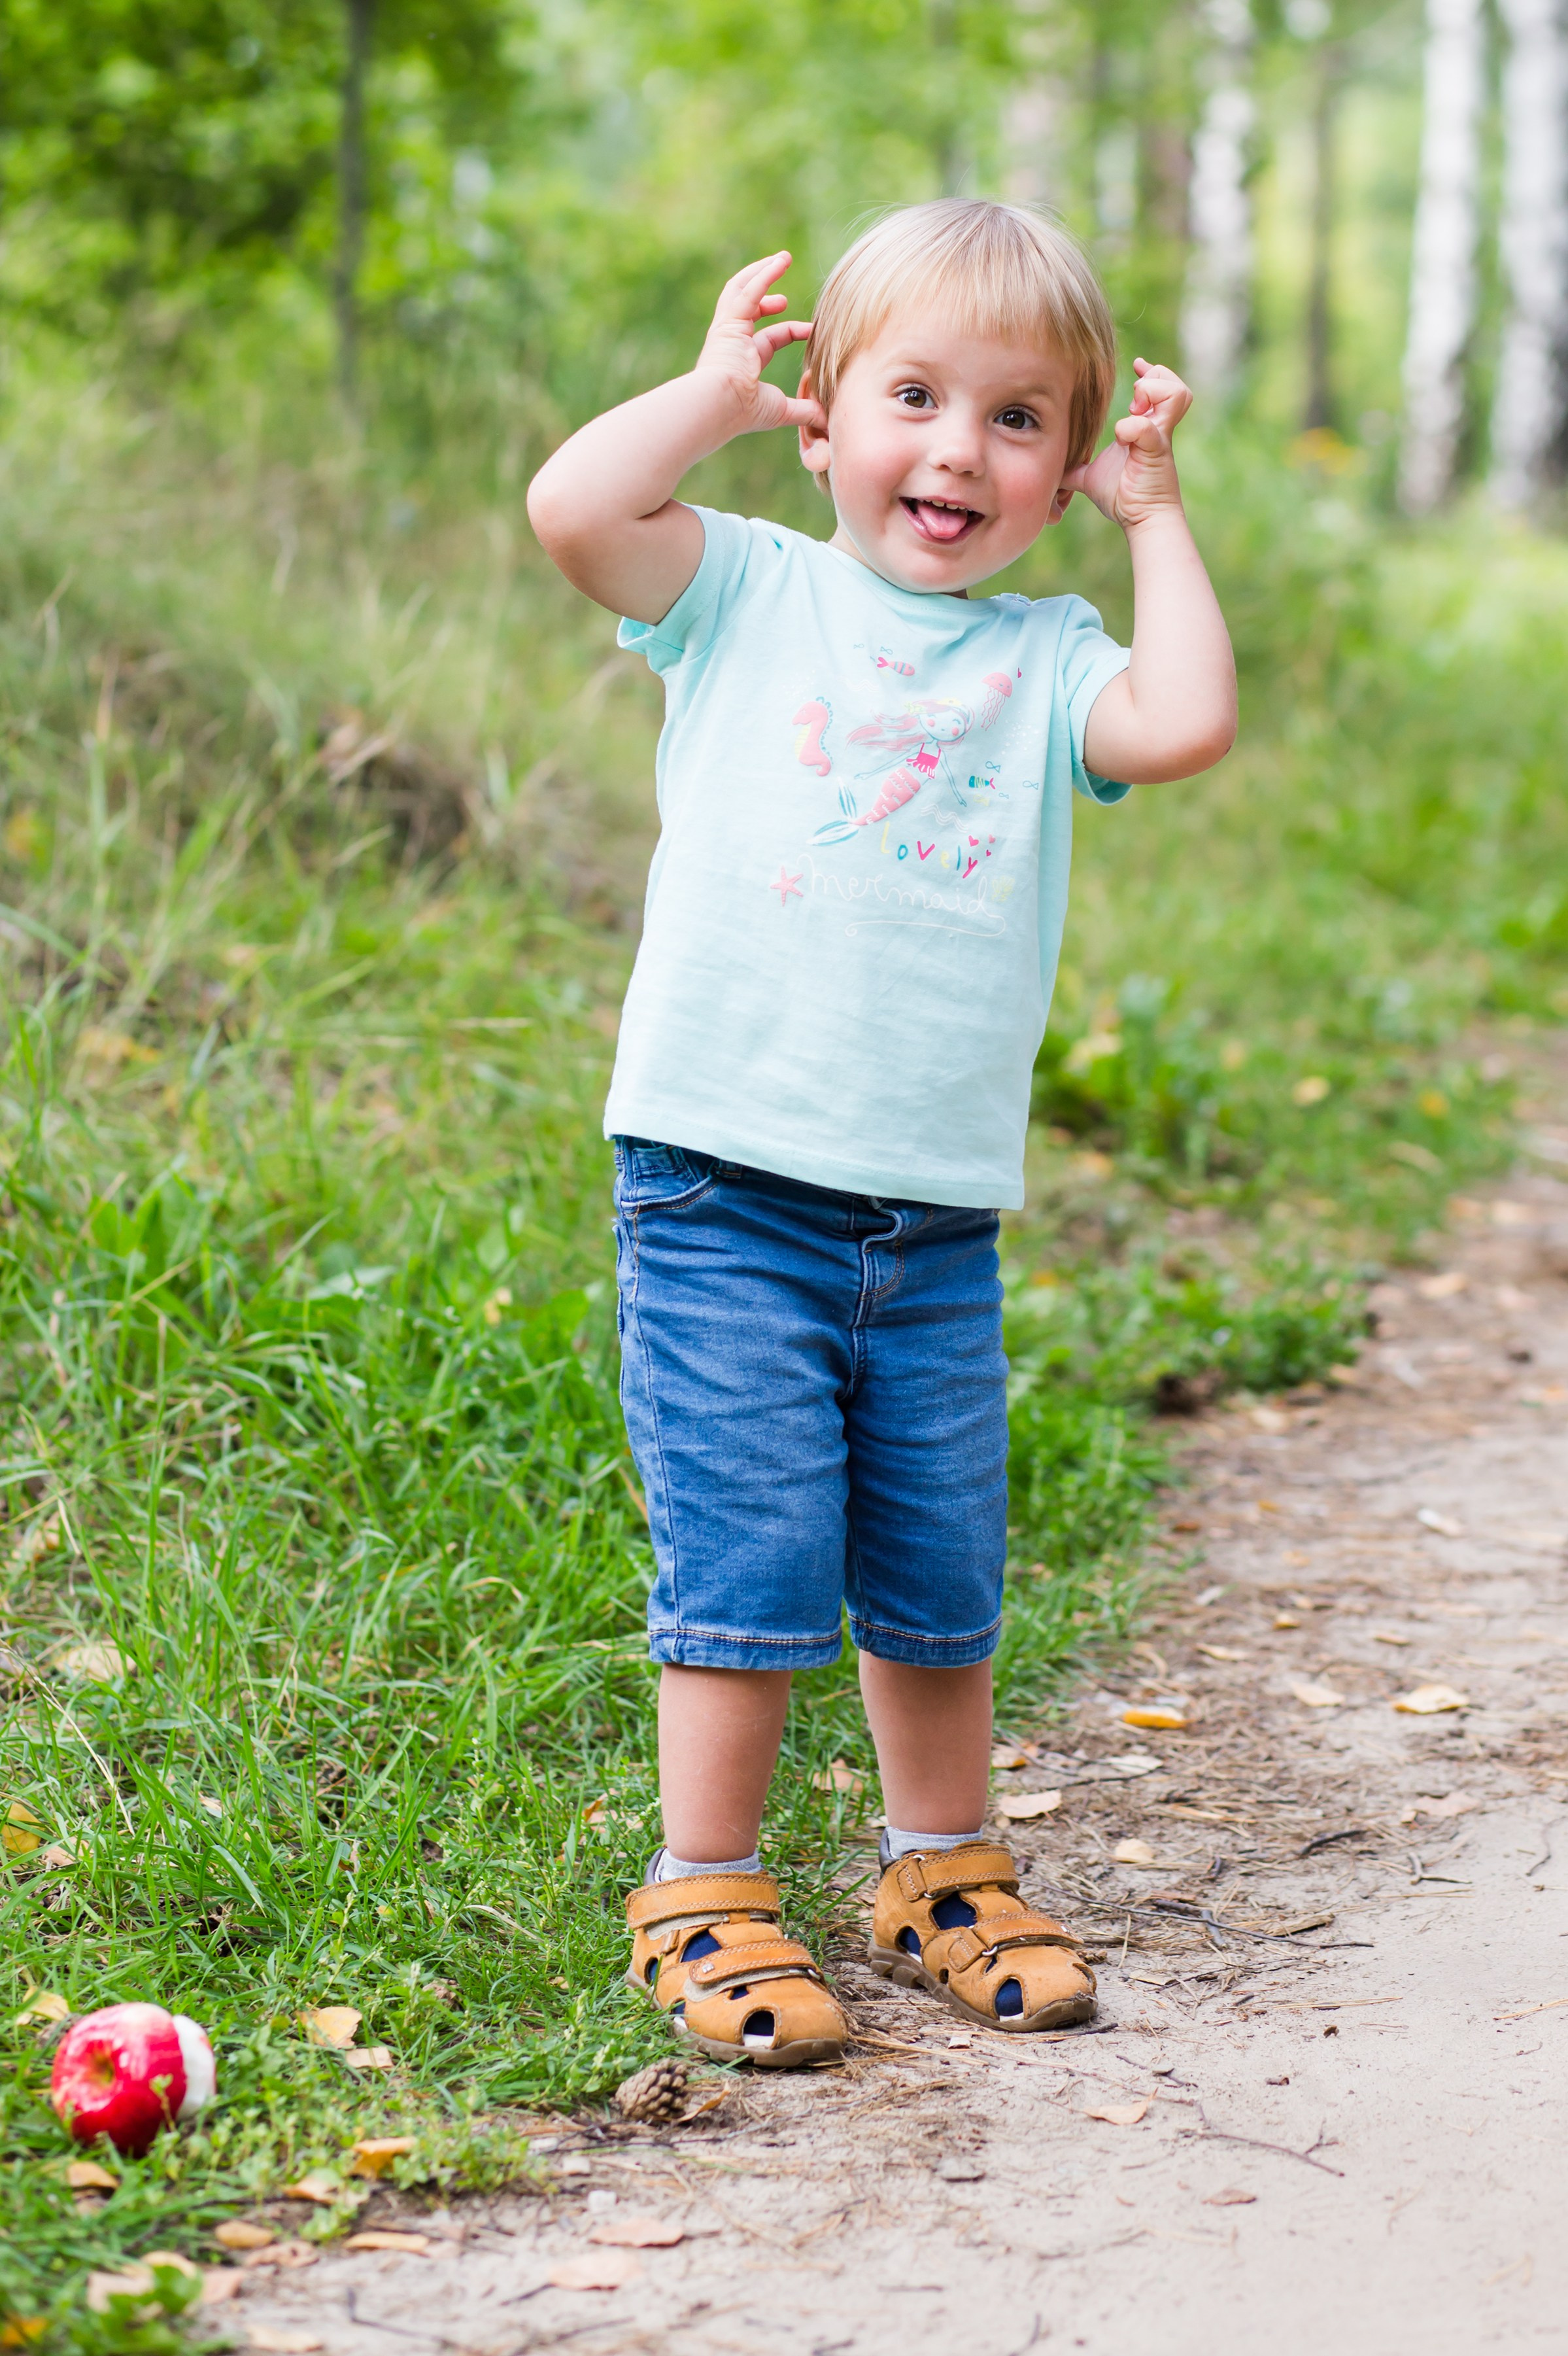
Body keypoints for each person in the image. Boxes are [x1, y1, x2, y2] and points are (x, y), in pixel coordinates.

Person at [527, 199, 1235, 2068]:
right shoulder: (747, 587)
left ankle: (941, 1859)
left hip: (929, 1221)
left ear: (1066, 462)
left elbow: (1187, 722)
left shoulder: (1053, 656)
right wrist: (697, 401)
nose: (960, 448)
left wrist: (1158, 523)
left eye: (1019, 419)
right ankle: (705, 1881)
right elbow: (573, 515)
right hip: (721, 1184)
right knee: (748, 1555)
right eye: (913, 394)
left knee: (938, 1563)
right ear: (824, 417)